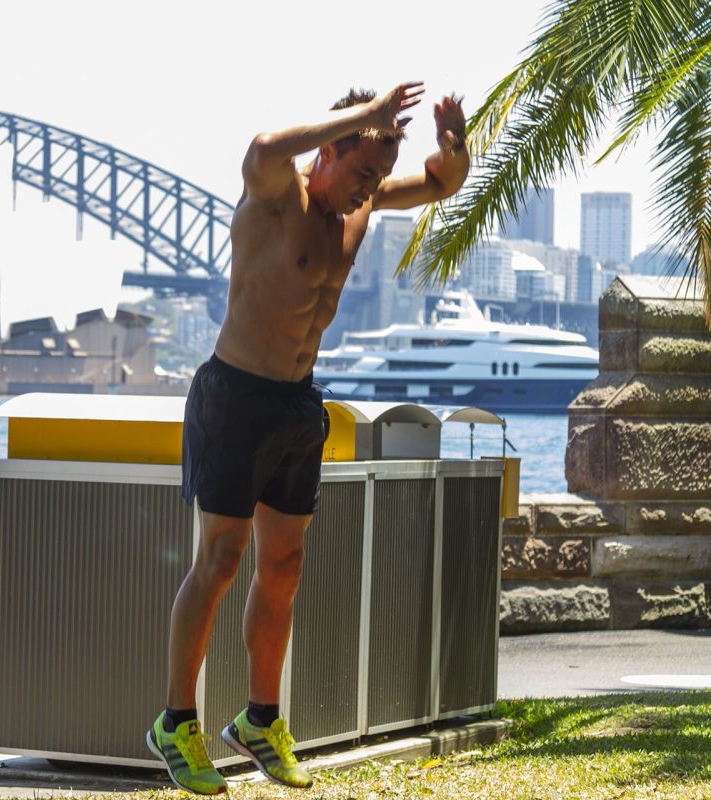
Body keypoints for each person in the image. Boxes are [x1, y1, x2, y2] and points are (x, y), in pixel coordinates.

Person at [145, 82, 469, 794]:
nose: (369, 190)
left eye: (378, 178)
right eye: (360, 172)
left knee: (283, 568)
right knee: (221, 559)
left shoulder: (364, 205)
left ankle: (261, 719)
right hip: (233, 396)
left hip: (296, 405)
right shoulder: (275, 193)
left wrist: (453, 144)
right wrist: (368, 116)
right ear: (329, 148)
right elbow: (260, 145)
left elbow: (444, 183)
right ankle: (176, 721)